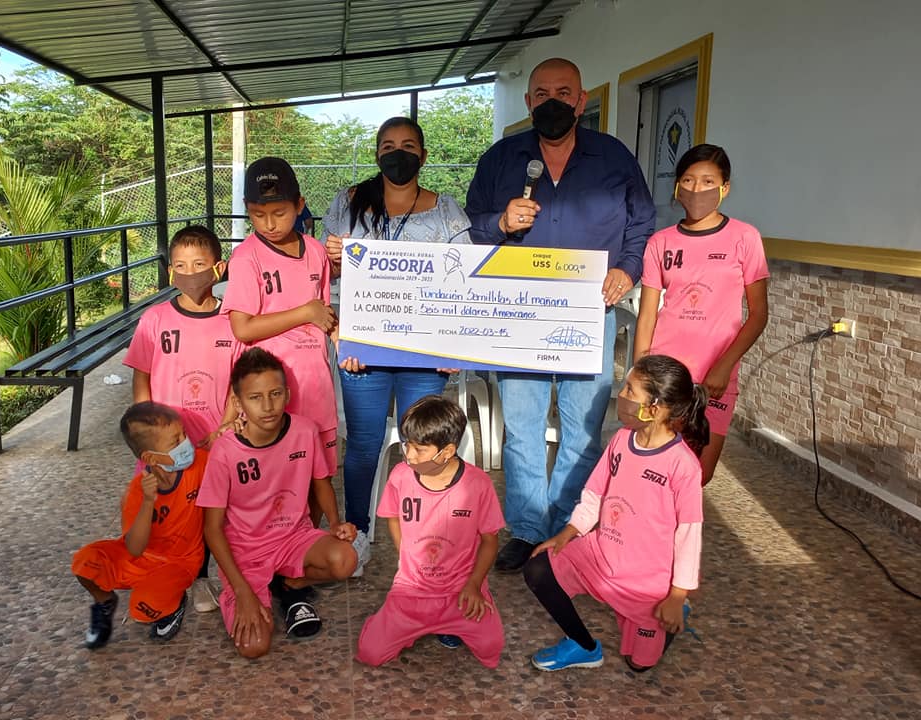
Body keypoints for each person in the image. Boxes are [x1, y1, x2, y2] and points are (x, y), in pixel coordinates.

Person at [465, 58, 656, 571]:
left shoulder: (614, 158)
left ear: (581, 100)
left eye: (564, 93)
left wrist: (628, 269)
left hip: (589, 313)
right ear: (529, 102)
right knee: (522, 429)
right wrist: (499, 222)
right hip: (520, 316)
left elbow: (642, 223)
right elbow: (470, 224)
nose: (553, 102)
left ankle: (568, 527)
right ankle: (528, 530)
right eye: (543, 94)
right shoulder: (500, 159)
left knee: (582, 427)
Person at [323, 116, 472, 575]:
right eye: (388, 146)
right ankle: (357, 534)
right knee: (364, 445)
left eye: (408, 145)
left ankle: (426, 537)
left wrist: (454, 346)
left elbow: (465, 280)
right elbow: (324, 275)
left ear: (423, 156)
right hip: (362, 352)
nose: (398, 153)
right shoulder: (349, 204)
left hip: (424, 356)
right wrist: (334, 267)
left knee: (424, 443)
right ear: (377, 154)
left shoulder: (447, 212)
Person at [522, 354, 708, 672]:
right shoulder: (621, 439)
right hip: (600, 555)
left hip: (646, 583)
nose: (621, 395)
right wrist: (567, 533)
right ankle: (583, 646)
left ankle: (671, 616)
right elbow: (595, 493)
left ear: (655, 408)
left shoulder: (683, 466)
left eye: (630, 390)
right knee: (538, 569)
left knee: (639, 664)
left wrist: (677, 596)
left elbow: (689, 534)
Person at [197, 348, 358, 658]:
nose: (268, 406)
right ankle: (255, 588)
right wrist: (243, 592)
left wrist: (336, 524)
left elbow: (321, 483)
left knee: (345, 559)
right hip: (246, 553)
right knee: (254, 646)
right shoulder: (225, 451)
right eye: (255, 397)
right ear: (238, 403)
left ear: (288, 394)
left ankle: (290, 582)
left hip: (293, 538)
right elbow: (212, 529)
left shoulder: (305, 430)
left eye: (275, 394)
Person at [634, 144, 769, 485]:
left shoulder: (745, 238)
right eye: (689, 180)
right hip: (665, 377)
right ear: (677, 186)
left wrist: (725, 366)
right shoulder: (660, 242)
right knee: (655, 467)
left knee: (697, 474)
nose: (698, 189)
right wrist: (639, 375)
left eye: (708, 181)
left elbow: (758, 315)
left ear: (725, 187)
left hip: (715, 380)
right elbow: (647, 316)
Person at [123, 224, 238, 613]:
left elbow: (237, 384)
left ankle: (211, 576)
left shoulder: (233, 321)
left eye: (199, 265)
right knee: (173, 513)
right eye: (181, 266)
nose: (190, 273)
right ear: (171, 271)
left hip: (215, 442)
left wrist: (224, 426)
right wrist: (147, 435)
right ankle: (174, 574)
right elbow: (141, 376)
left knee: (211, 511)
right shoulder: (155, 320)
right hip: (169, 447)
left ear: (218, 269)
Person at [356, 395, 505, 668]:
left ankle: (447, 622)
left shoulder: (478, 484)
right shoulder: (400, 475)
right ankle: (401, 622)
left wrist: (474, 584)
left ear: (447, 452)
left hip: (459, 589)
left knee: (490, 647)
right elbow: (392, 517)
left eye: (419, 449)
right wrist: (405, 555)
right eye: (407, 445)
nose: (409, 455)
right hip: (412, 589)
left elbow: (490, 539)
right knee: (370, 653)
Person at [221, 157, 339, 480]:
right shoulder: (246, 258)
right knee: (273, 479)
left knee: (319, 476)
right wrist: (304, 312)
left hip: (314, 384)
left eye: (280, 213)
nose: (269, 224)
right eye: (258, 215)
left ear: (299, 205)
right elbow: (243, 328)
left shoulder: (315, 251)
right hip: (267, 394)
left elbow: (323, 313)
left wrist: (342, 337)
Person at [71, 402, 207, 649]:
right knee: (85, 562)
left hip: (180, 562)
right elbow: (134, 548)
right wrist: (148, 502)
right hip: (141, 558)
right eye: (175, 442)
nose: (186, 444)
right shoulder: (136, 492)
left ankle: (173, 604)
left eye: (184, 434)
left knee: (143, 609)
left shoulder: (200, 465)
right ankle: (104, 602)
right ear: (150, 457)